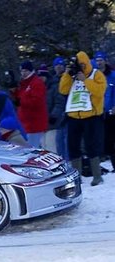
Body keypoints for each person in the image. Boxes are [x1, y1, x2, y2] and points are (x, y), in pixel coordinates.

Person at [59, 51, 106, 186]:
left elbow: (99, 92)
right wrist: (68, 75)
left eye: (81, 65)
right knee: (73, 146)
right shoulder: (72, 76)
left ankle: (97, 176)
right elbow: (63, 90)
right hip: (74, 115)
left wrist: (85, 81)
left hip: (91, 116)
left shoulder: (96, 74)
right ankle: (76, 176)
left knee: (91, 146)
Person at [11, 61, 48, 148]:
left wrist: (21, 102)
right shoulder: (23, 84)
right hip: (25, 125)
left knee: (34, 150)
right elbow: (19, 98)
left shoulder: (36, 83)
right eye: (22, 71)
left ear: (30, 71)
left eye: (25, 71)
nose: (23, 73)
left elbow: (37, 101)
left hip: (35, 125)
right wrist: (14, 92)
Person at [95, 51, 115, 172]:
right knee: (102, 138)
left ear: (105, 61)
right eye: (97, 60)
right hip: (98, 112)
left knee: (112, 138)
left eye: (101, 60)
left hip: (111, 111)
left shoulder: (112, 75)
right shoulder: (94, 76)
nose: (99, 62)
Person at [51, 57, 69, 161]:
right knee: (59, 141)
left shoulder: (68, 78)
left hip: (67, 112)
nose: (59, 67)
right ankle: (62, 161)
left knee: (66, 140)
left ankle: (68, 161)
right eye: (57, 65)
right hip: (57, 114)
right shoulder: (53, 81)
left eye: (61, 65)